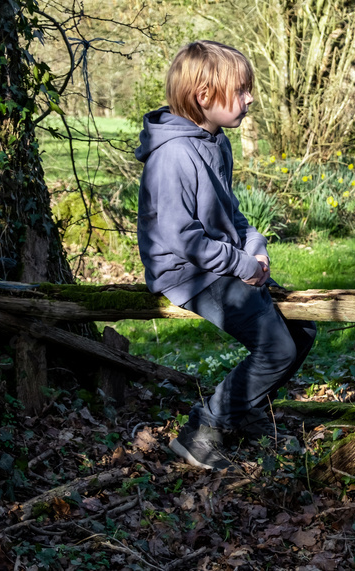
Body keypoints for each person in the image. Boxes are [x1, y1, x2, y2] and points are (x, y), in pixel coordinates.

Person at [134, 40, 316, 471]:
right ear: (203, 96)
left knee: (302, 330)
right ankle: (203, 431)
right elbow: (181, 237)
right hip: (187, 273)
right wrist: (241, 265)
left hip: (219, 263)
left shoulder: (216, 142)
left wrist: (255, 246)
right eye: (241, 90)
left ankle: (244, 411)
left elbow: (229, 213)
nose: (250, 98)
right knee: (277, 349)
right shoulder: (174, 154)